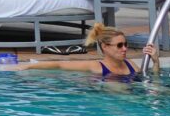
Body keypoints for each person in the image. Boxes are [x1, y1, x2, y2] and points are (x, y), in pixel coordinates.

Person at [14, 24, 148, 82]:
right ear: (105, 47)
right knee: (117, 87)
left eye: (125, 44)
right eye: (119, 45)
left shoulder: (129, 63)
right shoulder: (95, 66)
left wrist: (155, 61)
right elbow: (59, 65)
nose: (124, 49)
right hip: (115, 98)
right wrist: (28, 66)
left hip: (131, 94)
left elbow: (148, 78)